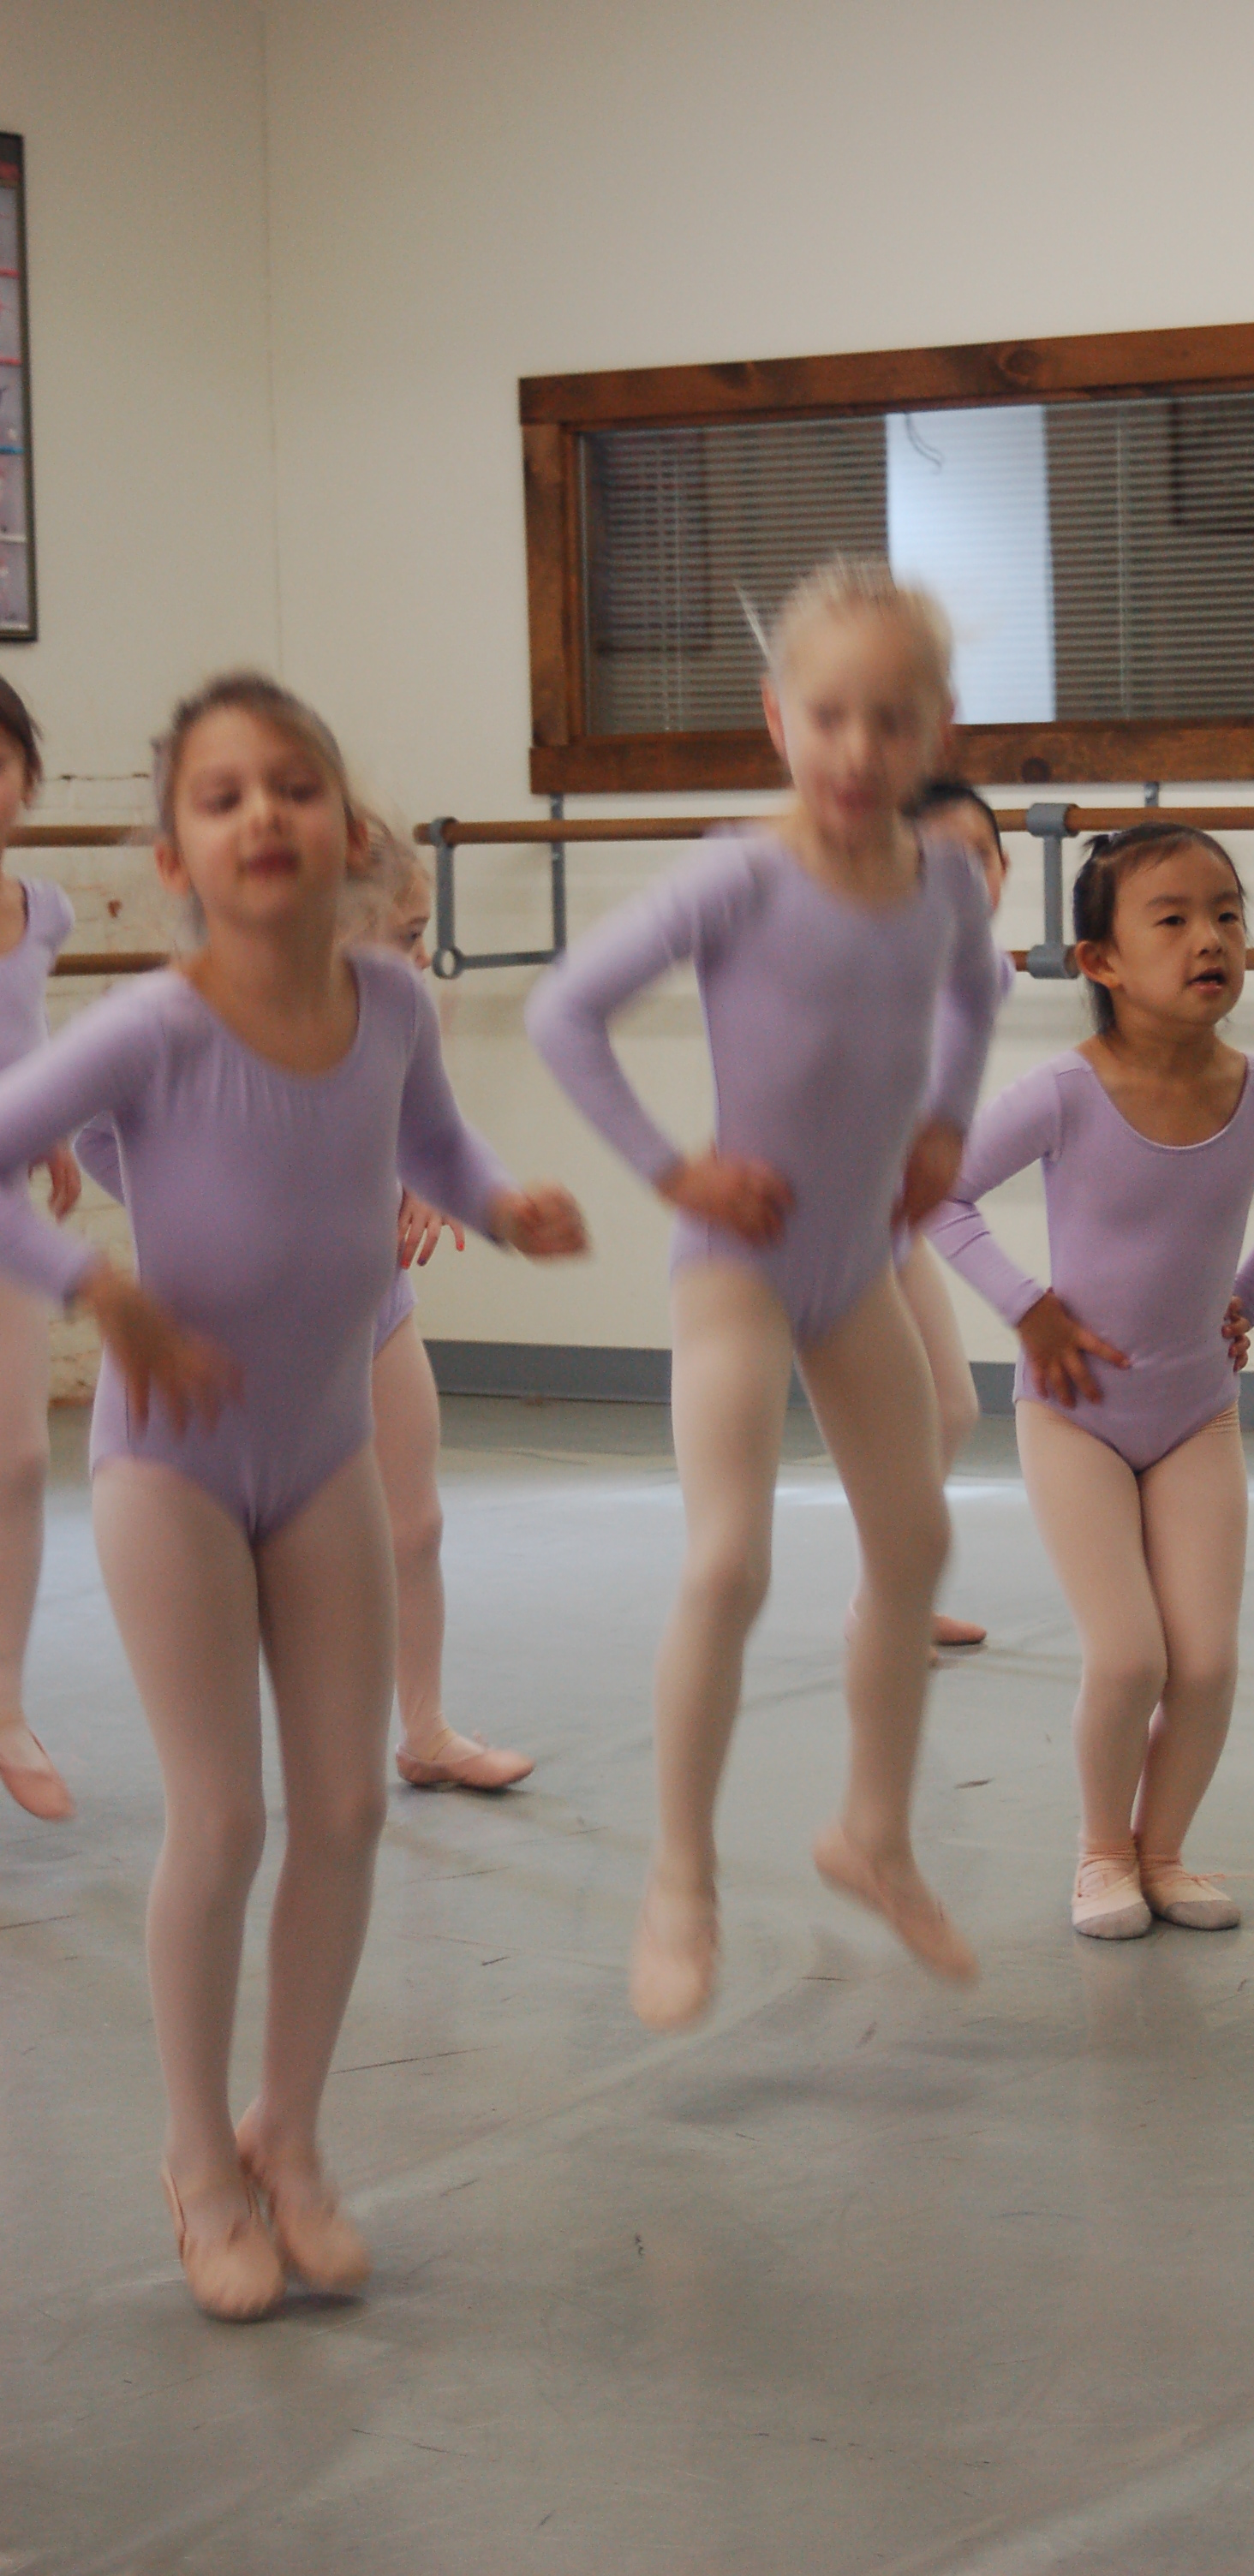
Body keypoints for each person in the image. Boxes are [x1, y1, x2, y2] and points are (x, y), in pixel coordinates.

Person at [0, 672, 585, 2320]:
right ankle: (199, 2159)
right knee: (227, 1817)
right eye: (222, 793)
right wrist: (93, 1286)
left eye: (296, 785)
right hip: (171, 1466)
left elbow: (437, 1147)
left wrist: (503, 1203)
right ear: (173, 856)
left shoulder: (388, 1005)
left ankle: (293, 2133)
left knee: (344, 1810)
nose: (264, 811)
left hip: (320, 1454)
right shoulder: (153, 1025)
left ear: (345, 830)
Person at [528, 558, 1000, 2033]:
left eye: (893, 720)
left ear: (937, 729)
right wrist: (674, 1170)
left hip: (854, 1267)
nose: (859, 749)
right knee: (728, 1563)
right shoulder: (739, 874)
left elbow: (977, 992)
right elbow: (563, 1010)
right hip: (739, 1266)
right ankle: (680, 1877)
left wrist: (946, 1125)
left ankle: (874, 1832)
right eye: (830, 717)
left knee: (916, 1540)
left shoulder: (938, 883)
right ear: (778, 718)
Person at [928, 825, 1254, 1937]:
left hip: (1197, 1413)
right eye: (1173, 919)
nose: (1210, 938)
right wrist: (1027, 1305)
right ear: (1101, 961)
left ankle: (1163, 1853)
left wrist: (1247, 1298)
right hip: (1077, 1418)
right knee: (1127, 1655)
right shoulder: (1064, 1092)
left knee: (1202, 1664)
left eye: (1228, 914)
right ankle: (1101, 1852)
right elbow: (939, 1194)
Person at [76, 814, 537, 1795]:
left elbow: (429, 1131)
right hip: (250, 1329)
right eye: (405, 934)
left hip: (373, 1303)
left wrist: (428, 1187)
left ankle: (425, 1727)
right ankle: (246, 1758)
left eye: (422, 933)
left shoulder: (399, 1010)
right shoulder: (205, 1025)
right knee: (265, 1557)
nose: (421, 955)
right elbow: (94, 1136)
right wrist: (197, 1225)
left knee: (414, 1524)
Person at [896, 778, 1013, 1654]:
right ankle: (887, 1601)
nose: (963, 878)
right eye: (938, 861)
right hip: (794, 1223)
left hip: (884, 1225)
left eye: (979, 857)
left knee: (950, 1404)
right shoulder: (869, 959)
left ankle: (892, 1595)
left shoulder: (987, 974)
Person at [0, 678, 82, 1822]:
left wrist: (53, 1122)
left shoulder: (44, 911)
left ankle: (7, 1703)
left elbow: (29, 1036)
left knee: (18, 1458)